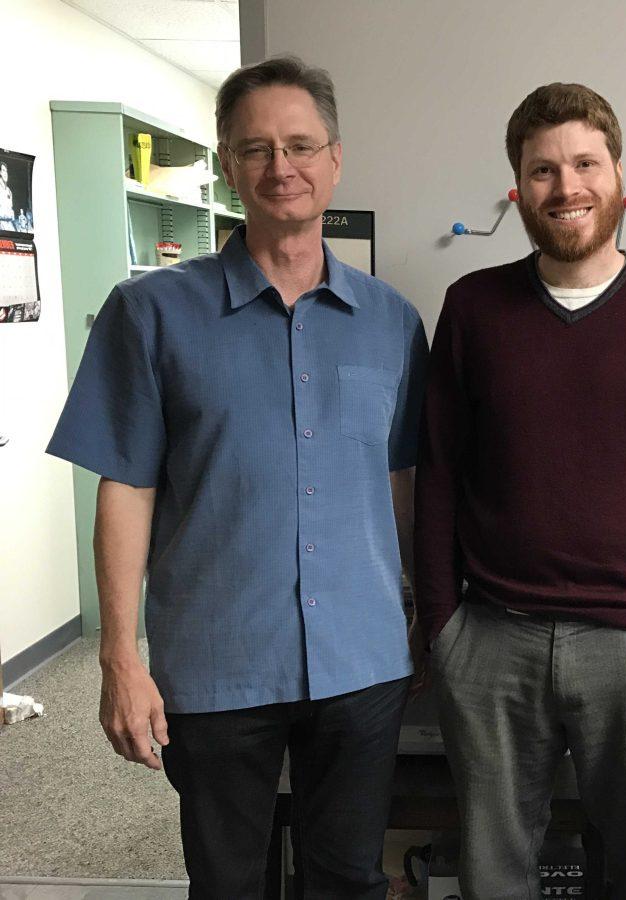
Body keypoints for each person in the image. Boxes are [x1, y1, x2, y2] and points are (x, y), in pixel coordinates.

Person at [47, 55, 427, 898]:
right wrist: (120, 654)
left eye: (300, 145)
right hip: (218, 661)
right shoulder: (148, 313)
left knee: (348, 877)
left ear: (336, 158)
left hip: (362, 662)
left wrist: (419, 613)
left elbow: (401, 481)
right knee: (226, 882)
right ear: (227, 164)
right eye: (256, 149)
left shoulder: (394, 324)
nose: (280, 167)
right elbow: (125, 485)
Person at [414, 82, 626, 899]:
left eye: (584, 164)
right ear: (518, 186)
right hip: (493, 641)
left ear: (618, 173)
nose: (567, 188)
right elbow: (440, 475)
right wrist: (445, 630)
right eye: (542, 171)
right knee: (493, 875)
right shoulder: (473, 308)